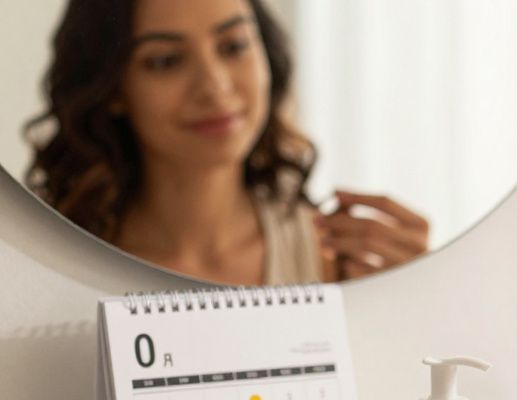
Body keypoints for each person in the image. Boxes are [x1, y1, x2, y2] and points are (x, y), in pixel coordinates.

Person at [24, 0, 428, 284]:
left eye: (234, 46)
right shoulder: (49, 266)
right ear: (112, 89)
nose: (214, 86)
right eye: (166, 60)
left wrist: (422, 307)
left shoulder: (334, 261)